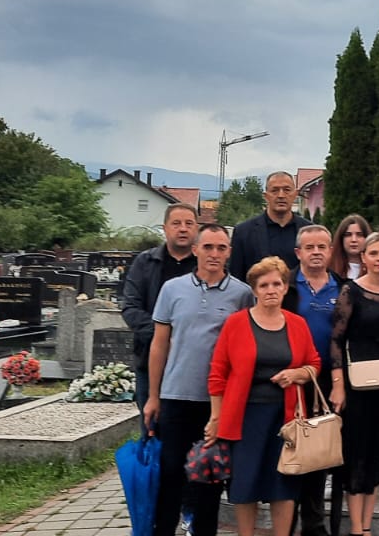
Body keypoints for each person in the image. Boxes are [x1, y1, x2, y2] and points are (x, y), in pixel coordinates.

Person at [143, 224, 255, 536]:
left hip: (217, 402)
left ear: (229, 252)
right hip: (176, 395)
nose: (214, 254)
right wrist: (153, 395)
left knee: (210, 475)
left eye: (221, 248)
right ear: (195, 250)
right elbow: (159, 344)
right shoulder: (172, 289)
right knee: (171, 472)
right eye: (208, 247)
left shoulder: (242, 294)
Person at [208, 256, 321, 536]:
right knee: (245, 484)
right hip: (245, 418)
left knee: (283, 484)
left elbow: (314, 363)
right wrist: (216, 417)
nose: (271, 290)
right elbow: (218, 373)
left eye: (277, 284)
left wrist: (297, 374)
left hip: (286, 419)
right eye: (264, 285)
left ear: (285, 288)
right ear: (254, 290)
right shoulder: (236, 323)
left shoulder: (297, 324)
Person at [329, 232, 379, 536]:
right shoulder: (350, 291)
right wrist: (338, 384)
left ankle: (367, 526)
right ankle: (356, 527)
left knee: (377, 453)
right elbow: (336, 340)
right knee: (356, 453)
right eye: (374, 253)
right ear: (364, 257)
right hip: (355, 382)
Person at [121, 203, 199, 411]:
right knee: (152, 422)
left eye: (189, 223)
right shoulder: (145, 262)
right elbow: (130, 307)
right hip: (150, 358)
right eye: (176, 223)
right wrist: (163, 336)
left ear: (197, 228)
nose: (183, 229)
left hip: (195, 362)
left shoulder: (205, 264)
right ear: (165, 228)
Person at [292, 225, 341, 536]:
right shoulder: (285, 286)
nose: (316, 252)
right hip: (291, 379)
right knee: (291, 449)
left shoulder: (342, 288)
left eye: (322, 246)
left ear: (331, 251)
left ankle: (314, 524)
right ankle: (286, 519)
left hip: (326, 381)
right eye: (309, 247)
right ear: (298, 252)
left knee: (318, 454)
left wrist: (339, 382)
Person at [228, 171, 315, 312]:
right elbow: (236, 278)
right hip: (256, 311)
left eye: (286, 190)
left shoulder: (309, 231)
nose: (281, 195)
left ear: (295, 194)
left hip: (300, 311)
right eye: (275, 190)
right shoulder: (243, 232)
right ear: (266, 196)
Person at [328, 214, 371, 280]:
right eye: (348, 235)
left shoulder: (375, 268)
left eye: (359, 235)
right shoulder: (329, 268)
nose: (354, 240)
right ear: (341, 238)